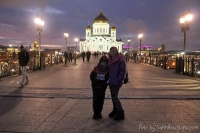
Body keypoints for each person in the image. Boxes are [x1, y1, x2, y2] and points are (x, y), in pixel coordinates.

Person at [108, 46, 126, 120]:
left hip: (116, 81)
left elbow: (123, 71)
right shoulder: (110, 59)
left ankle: (121, 112)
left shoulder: (120, 59)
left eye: (114, 51)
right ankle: (115, 110)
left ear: (116, 51)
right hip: (111, 81)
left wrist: (118, 79)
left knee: (115, 97)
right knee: (113, 97)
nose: (112, 53)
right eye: (111, 51)